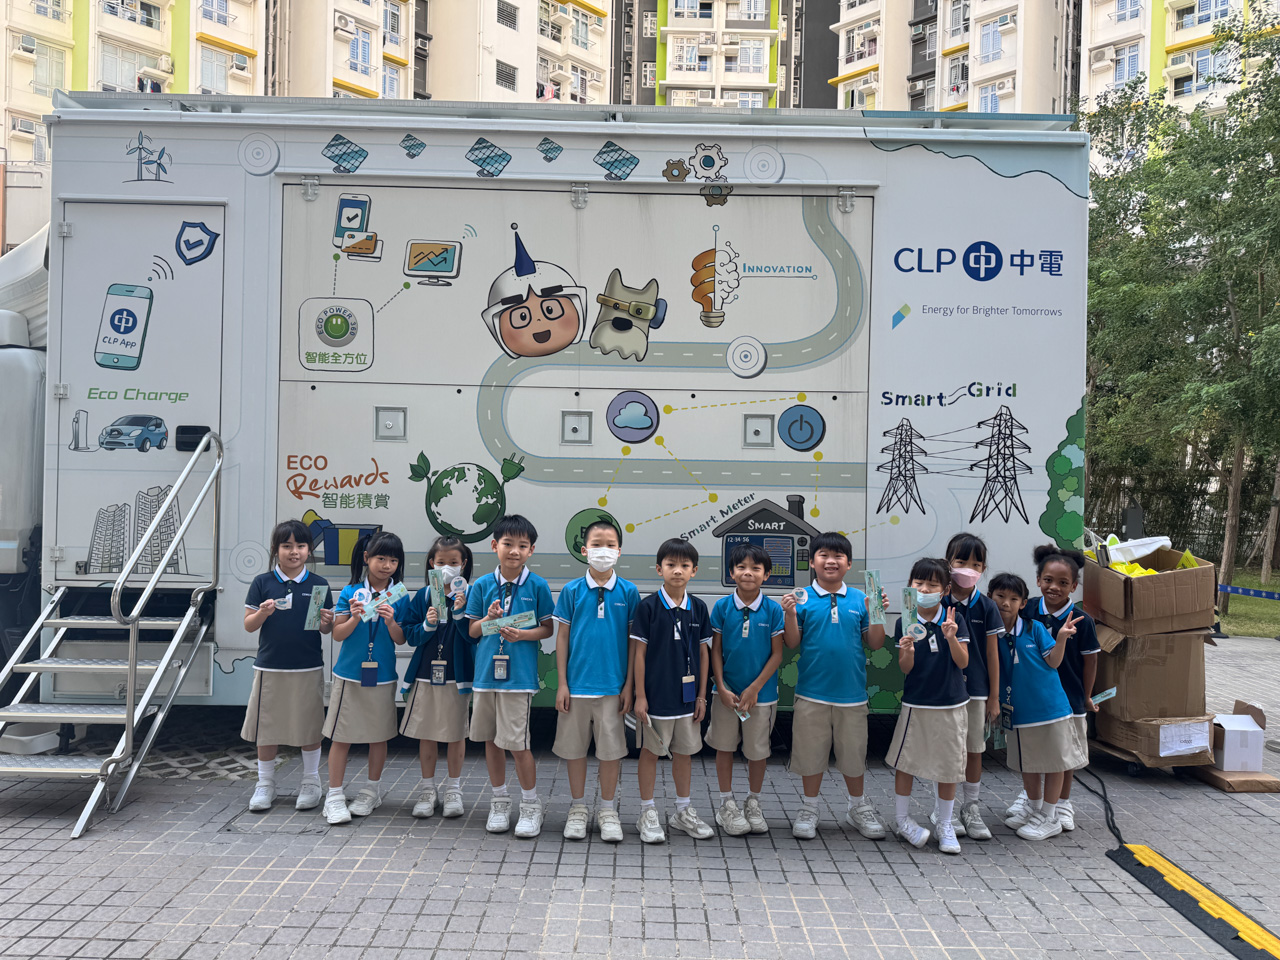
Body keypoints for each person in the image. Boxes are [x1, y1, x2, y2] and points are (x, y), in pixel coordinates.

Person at [781, 532, 889, 841]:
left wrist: (877, 611)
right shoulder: (802, 598)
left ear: (849, 564)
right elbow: (792, 642)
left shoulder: (859, 599)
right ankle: (809, 808)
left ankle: (858, 807)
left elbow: (875, 643)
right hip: (811, 693)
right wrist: (789, 613)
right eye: (824, 555)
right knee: (810, 754)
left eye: (838, 556)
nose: (831, 561)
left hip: (852, 695)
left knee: (853, 755)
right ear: (812, 562)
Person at [466, 515, 555, 838]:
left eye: (522, 545)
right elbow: (473, 631)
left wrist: (522, 635)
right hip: (485, 677)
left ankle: (530, 804)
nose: (514, 551)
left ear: (531, 550)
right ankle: (499, 801)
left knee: (517, 744)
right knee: (491, 741)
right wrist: (489, 619)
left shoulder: (537, 585)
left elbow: (547, 628)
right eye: (508, 544)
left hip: (518, 679)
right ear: (495, 546)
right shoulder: (481, 585)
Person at [552, 519, 640, 843]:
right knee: (574, 750)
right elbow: (562, 638)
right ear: (584, 550)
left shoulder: (629, 592)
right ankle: (578, 808)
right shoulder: (572, 591)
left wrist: (629, 685)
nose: (603, 551)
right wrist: (562, 683)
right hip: (576, 687)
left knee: (610, 752)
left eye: (610, 545)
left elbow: (633, 643)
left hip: (613, 688)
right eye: (597, 545)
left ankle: (607, 810)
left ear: (619, 551)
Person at [241, 520, 334, 813]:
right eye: (287, 546)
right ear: (275, 549)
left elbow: (323, 629)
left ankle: (311, 781)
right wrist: (263, 613)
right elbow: (248, 625)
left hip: (308, 666)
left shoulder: (319, 585)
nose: (294, 552)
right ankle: (265, 783)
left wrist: (327, 622)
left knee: (309, 727)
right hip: (270, 666)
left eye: (300, 546)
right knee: (267, 728)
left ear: (309, 550)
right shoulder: (262, 582)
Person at [1005, 545, 1099, 832]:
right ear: (1037, 580)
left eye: (1062, 582)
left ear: (1074, 586)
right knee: (1033, 751)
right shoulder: (1028, 609)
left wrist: (1086, 696)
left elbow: (1090, 662)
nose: (1054, 587)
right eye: (1048, 580)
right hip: (1034, 697)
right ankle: (1033, 801)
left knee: (1063, 756)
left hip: (1068, 698)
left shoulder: (1083, 621)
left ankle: (1061, 804)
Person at [989, 572, 1088, 840]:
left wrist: (1062, 637)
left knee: (1055, 763)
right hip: (1019, 712)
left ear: (1023, 603)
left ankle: (1050, 815)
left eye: (1013, 598)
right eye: (1000, 596)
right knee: (1028, 763)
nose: (1006, 603)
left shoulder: (1035, 629)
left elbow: (1054, 662)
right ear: (990, 597)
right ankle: (1034, 808)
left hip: (1050, 709)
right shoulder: (991, 634)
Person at [632, 538, 715, 843]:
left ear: (694, 571)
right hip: (656, 698)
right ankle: (647, 811)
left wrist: (702, 696)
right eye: (671, 565)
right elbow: (639, 654)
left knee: (685, 753)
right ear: (659, 569)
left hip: (688, 700)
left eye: (684, 565)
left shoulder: (699, 608)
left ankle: (682, 811)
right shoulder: (648, 607)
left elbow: (704, 653)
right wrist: (640, 695)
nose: (677, 570)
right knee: (651, 753)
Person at [323, 532, 409, 825]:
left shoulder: (400, 595)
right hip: (349, 674)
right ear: (366, 558)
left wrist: (391, 621)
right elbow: (337, 634)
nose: (387, 565)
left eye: (393, 560)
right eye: (381, 558)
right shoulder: (350, 592)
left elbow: (400, 639)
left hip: (382, 675)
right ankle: (334, 795)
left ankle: (372, 791)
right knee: (341, 735)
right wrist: (355, 617)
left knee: (378, 735)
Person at [887, 558, 969, 854]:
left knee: (948, 767)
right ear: (910, 585)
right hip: (916, 702)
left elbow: (963, 662)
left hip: (951, 703)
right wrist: (907, 650)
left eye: (932, 585)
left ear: (945, 590)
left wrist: (951, 637)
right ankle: (902, 820)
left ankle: (945, 824)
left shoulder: (955, 619)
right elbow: (905, 668)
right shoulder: (904, 622)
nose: (924, 589)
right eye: (918, 583)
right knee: (906, 762)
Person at [707, 542, 785, 836]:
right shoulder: (722, 607)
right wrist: (721, 686)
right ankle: (726, 803)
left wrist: (754, 688)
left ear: (767, 575)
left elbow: (777, 654)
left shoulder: (773, 609)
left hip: (761, 697)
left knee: (757, 752)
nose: (748, 573)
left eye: (755, 568)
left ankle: (754, 802)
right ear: (731, 573)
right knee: (724, 747)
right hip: (725, 695)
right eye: (741, 567)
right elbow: (715, 651)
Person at [399, 535, 476, 820]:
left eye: (453, 562)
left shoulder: (471, 594)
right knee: (427, 733)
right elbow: (410, 635)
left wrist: (461, 612)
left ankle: (454, 789)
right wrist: (427, 625)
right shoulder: (423, 595)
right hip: (425, 675)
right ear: (432, 563)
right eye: (441, 562)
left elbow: (474, 636)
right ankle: (427, 790)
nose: (447, 567)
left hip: (458, 676)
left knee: (456, 734)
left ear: (463, 564)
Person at [942, 532, 1003, 841]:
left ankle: (971, 807)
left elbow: (993, 654)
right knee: (947, 751)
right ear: (948, 563)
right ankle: (945, 810)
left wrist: (994, 696)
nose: (968, 568)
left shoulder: (987, 606)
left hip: (977, 691)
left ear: (983, 569)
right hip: (944, 691)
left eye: (976, 564)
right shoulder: (938, 601)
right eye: (961, 561)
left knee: (974, 749)